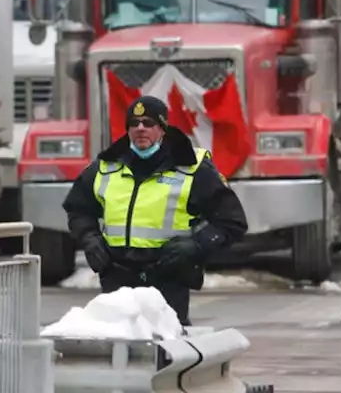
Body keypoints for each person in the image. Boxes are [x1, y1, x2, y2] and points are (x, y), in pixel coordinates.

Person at [62, 95, 248, 326]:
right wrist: (90, 239)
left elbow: (232, 222)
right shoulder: (105, 167)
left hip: (167, 278)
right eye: (134, 123)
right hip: (117, 277)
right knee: (119, 351)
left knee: (166, 353)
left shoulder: (192, 169)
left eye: (148, 123)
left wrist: (198, 245)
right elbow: (78, 209)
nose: (141, 129)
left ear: (162, 129)